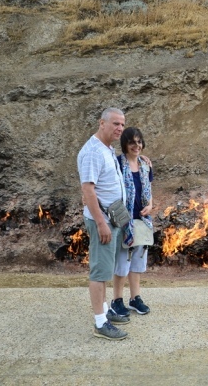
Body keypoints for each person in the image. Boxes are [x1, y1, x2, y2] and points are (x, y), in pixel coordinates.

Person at [77, 107, 130, 341]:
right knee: (99, 272)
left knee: (106, 268)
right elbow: (87, 189)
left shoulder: (107, 149)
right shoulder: (92, 152)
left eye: (122, 124)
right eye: (115, 123)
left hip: (113, 219)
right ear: (102, 123)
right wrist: (101, 223)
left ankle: (105, 310)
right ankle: (100, 322)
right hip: (104, 221)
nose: (119, 128)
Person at [109, 127, 153, 318]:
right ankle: (116, 300)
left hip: (142, 219)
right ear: (125, 145)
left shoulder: (145, 165)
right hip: (124, 221)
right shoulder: (117, 163)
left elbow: (149, 189)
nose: (137, 146)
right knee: (121, 262)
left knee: (137, 261)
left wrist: (150, 205)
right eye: (132, 142)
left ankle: (135, 298)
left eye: (139, 141)